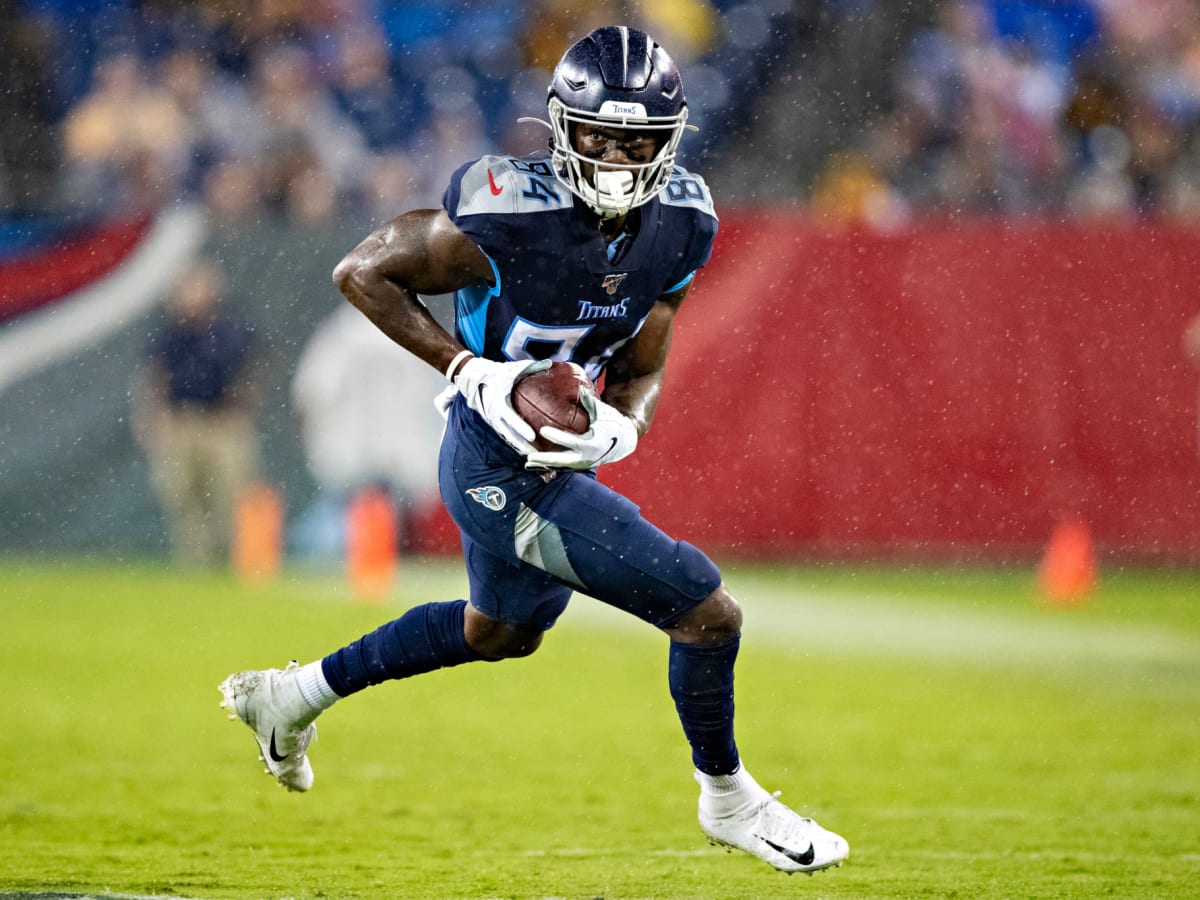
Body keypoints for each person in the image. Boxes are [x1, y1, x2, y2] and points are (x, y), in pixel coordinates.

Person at [219, 26, 849, 875]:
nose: (618, 159)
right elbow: (360, 271)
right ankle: (728, 797)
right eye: (599, 137)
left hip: (554, 459)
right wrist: (468, 368)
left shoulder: (683, 224)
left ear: (670, 143)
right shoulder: (508, 211)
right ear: (562, 129)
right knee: (707, 614)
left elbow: (643, 359)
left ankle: (292, 696)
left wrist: (624, 421)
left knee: (498, 631)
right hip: (491, 462)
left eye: (638, 141)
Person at [133, 256, 261, 567]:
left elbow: (253, 371)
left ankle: (230, 558)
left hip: (221, 420)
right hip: (182, 421)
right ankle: (196, 561)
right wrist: (152, 416)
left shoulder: (231, 331)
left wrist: (241, 409)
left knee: (230, 494)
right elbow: (154, 379)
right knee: (183, 496)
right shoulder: (168, 336)